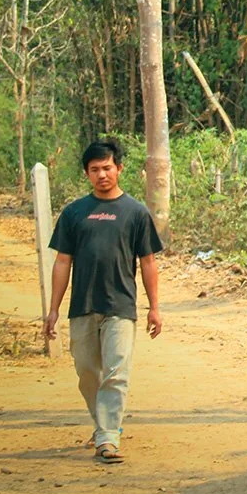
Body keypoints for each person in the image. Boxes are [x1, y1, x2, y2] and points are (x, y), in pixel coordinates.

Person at [44, 138, 163, 464]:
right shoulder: (74, 213)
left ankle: (108, 438)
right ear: (87, 173)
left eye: (107, 168)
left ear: (119, 169)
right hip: (82, 306)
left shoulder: (136, 212)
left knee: (116, 372)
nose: (102, 175)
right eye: (94, 170)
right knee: (87, 373)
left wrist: (154, 307)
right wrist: (53, 309)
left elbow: (148, 263)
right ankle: (103, 426)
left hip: (121, 307)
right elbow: (62, 262)